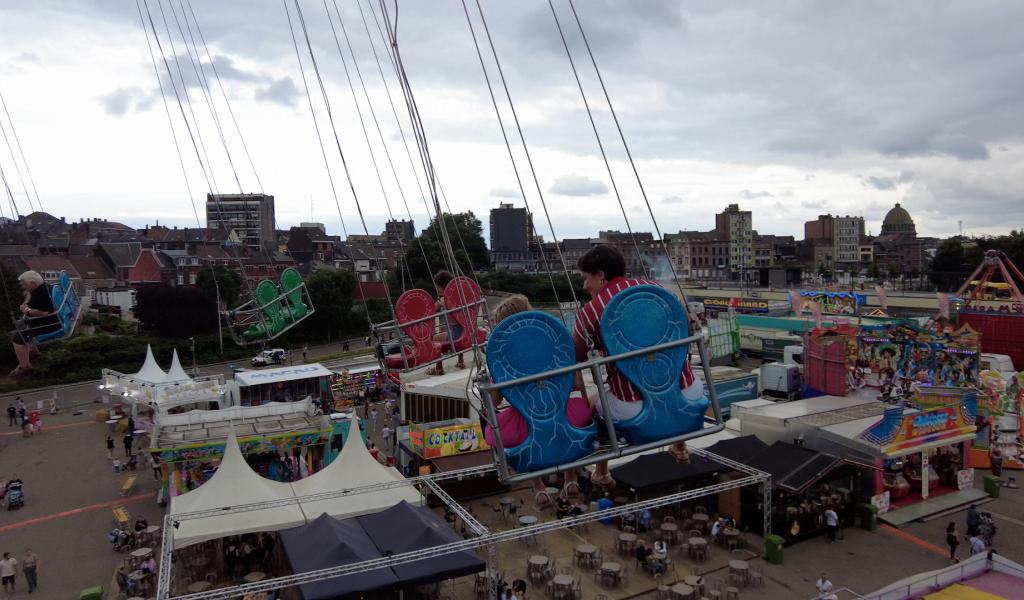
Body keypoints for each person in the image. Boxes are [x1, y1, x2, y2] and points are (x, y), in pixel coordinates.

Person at [571, 246, 703, 489]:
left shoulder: (591, 312)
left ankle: (601, 471)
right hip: (689, 391)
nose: (584, 286)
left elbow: (576, 355)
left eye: (585, 279)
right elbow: (685, 325)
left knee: (593, 401)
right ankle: (680, 445)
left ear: (600, 275)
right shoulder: (659, 291)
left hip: (633, 407)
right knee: (666, 382)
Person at [482, 295, 593, 507]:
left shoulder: (504, 357)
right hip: (564, 415)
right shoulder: (552, 343)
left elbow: (494, 401)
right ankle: (570, 479)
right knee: (566, 427)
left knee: (524, 437)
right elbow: (577, 384)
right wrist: (584, 405)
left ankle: (538, 487)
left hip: (524, 425)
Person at [9, 271, 61, 377]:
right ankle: (34, 353)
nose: (23, 287)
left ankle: (25, 368)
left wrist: (26, 311)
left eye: (24, 284)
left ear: (32, 283)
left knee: (18, 338)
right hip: (54, 320)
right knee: (23, 328)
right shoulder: (44, 286)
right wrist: (27, 304)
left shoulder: (41, 295)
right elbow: (29, 295)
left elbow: (43, 313)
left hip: (48, 325)